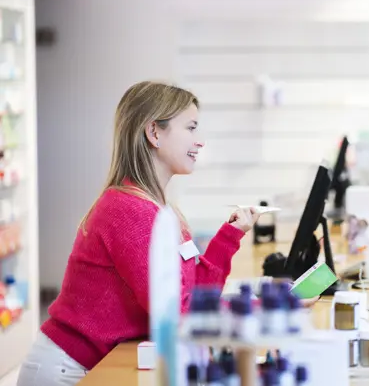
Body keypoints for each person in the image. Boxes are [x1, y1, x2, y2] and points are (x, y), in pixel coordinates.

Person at [17, 81, 260, 386]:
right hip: (67, 371)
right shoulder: (130, 210)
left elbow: (194, 294)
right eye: (191, 128)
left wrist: (230, 236)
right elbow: (179, 314)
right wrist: (266, 308)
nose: (200, 142)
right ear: (154, 132)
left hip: (95, 363)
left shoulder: (159, 210)